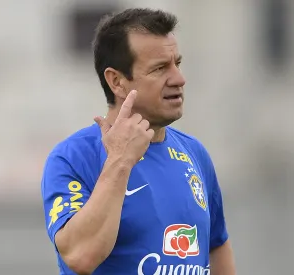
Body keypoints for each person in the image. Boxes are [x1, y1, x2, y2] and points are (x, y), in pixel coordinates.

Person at [41, 8, 236, 275]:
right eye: (159, 69)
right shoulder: (74, 157)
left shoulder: (194, 153)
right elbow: (80, 255)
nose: (179, 79)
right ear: (117, 81)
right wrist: (120, 160)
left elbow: (217, 243)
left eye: (177, 64)